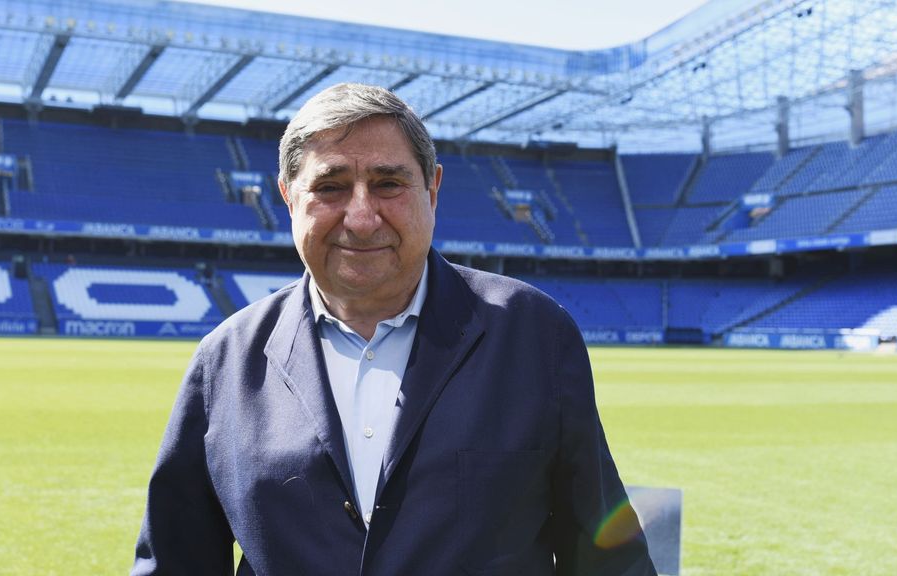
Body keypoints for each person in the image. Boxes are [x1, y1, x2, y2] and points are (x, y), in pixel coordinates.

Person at [131, 83, 655, 576]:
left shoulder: (532, 334)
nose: (361, 218)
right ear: (289, 198)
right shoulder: (225, 361)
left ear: (433, 189)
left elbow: (607, 556)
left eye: (388, 184)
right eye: (330, 187)